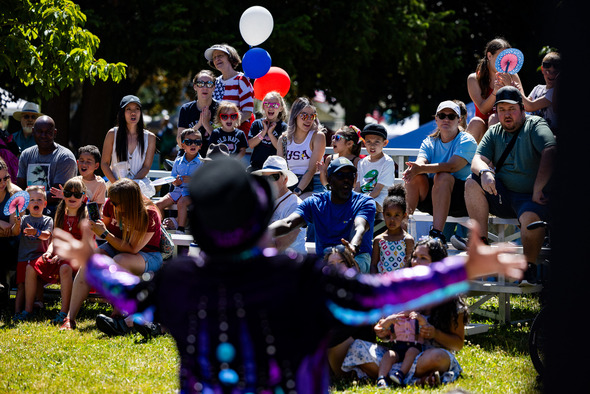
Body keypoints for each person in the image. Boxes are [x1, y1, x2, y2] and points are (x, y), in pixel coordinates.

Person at [51, 157, 526, 393]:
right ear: (260, 220)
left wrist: (89, 261)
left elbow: (130, 295)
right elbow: (381, 291)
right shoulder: (298, 278)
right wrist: (460, 268)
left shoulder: (182, 281)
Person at [342, 236, 469, 387]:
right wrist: (384, 332)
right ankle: (414, 379)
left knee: (439, 357)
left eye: (423, 258)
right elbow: (389, 334)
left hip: (426, 357)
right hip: (398, 356)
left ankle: (392, 376)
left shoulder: (450, 299)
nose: (415, 262)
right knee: (357, 347)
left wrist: (435, 334)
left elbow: (457, 344)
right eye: (414, 257)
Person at [464, 86, 557, 285]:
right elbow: (476, 160)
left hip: (530, 198)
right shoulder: (494, 131)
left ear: (523, 109)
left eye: (511, 109)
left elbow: (551, 150)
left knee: (531, 220)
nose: (506, 114)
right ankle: (481, 247)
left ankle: (528, 268)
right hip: (502, 195)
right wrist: (486, 172)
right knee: (472, 182)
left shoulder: (535, 124)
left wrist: (539, 187)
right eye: (502, 109)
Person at [60, 178, 163, 330]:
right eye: (111, 201)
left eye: (115, 203)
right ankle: (70, 318)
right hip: (117, 247)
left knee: (120, 260)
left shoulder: (148, 213)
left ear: (128, 202)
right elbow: (105, 229)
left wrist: (105, 233)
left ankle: (117, 316)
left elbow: (132, 248)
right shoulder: (111, 203)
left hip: (148, 255)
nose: (111, 204)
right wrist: (95, 225)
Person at [270, 157, 376, 273]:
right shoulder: (314, 202)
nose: (346, 180)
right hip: (326, 259)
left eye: (350, 175)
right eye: (340, 175)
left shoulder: (365, 202)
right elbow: (288, 223)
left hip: (356, 257)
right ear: (329, 179)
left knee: (343, 268)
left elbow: (359, 227)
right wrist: (260, 232)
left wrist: (353, 246)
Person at [403, 100, 477, 244]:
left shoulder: (467, 140)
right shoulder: (429, 141)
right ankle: (402, 232)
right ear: (436, 119)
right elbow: (421, 161)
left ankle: (436, 235)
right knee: (414, 177)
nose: (446, 119)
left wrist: (421, 168)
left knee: (443, 176)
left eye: (451, 116)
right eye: (442, 115)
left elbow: (452, 167)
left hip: (462, 201)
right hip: (435, 197)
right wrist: (414, 168)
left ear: (459, 120)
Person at [40, 178, 89, 325]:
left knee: (65, 268)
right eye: (68, 193)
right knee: (32, 266)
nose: (72, 197)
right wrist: (49, 251)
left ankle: (64, 311)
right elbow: (55, 238)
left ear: (84, 197)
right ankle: (33, 306)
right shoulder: (61, 212)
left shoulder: (85, 215)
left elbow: (85, 244)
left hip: (79, 256)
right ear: (63, 195)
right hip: (61, 253)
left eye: (77, 195)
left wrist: (62, 254)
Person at [16, 115, 77, 217]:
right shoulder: (26, 154)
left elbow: (56, 195)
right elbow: (20, 186)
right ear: (33, 131)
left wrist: (30, 200)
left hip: (56, 210)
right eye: (39, 131)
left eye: (48, 132)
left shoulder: (65, 157)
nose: (43, 135)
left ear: (54, 133)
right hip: (28, 208)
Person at [466, 38, 524, 143]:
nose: (504, 63)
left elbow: (523, 105)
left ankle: (495, 159)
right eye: (500, 58)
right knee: (475, 122)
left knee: (494, 118)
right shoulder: (474, 79)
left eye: (506, 59)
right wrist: (495, 91)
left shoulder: (512, 76)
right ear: (489, 56)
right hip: (483, 127)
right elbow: (483, 109)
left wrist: (510, 88)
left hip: (508, 123)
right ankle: (464, 158)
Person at [100, 95, 157, 198]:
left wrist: (131, 185)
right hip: (115, 184)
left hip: (139, 185)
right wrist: (118, 184)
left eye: (137, 109)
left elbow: (146, 167)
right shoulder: (112, 134)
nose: (133, 113)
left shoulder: (150, 137)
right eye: (128, 109)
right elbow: (104, 163)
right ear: (122, 113)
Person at [12, 186, 53, 321]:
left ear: (45, 203)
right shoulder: (24, 219)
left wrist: (36, 232)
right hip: (23, 257)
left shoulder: (47, 220)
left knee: (39, 283)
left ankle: (38, 304)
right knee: (21, 286)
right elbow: (15, 232)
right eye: (32, 200)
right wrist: (17, 223)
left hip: (39, 257)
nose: (36, 202)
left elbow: (47, 235)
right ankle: (18, 312)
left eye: (39, 200)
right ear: (27, 205)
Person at [252, 155, 306, 254]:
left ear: (285, 179)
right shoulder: (262, 202)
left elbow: (278, 246)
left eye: (273, 177)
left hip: (292, 265)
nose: (268, 182)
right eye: (265, 178)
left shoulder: (296, 205)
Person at [277, 97, 327, 200]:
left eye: (312, 116)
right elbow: (280, 170)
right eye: (304, 116)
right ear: (295, 116)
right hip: (290, 183)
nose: (309, 120)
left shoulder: (318, 136)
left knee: (299, 205)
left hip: (313, 184)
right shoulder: (283, 140)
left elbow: (312, 169)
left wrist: (296, 192)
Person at [155, 128, 203, 234]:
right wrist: (175, 182)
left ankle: (180, 229)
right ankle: (160, 229)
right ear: (183, 145)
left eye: (197, 142)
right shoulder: (178, 161)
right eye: (189, 142)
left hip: (192, 193)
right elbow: (172, 178)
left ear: (200, 145)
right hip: (177, 191)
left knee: (182, 202)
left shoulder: (202, 163)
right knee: (158, 204)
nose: (193, 144)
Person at [204, 44, 255, 133]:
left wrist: (228, 128)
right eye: (214, 57)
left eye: (220, 56)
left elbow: (247, 112)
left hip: (239, 133)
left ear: (230, 57)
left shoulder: (241, 80)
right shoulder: (216, 82)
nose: (216, 59)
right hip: (220, 134)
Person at [371, 184, 414, 274]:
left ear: (404, 216)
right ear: (383, 215)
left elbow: (409, 266)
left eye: (397, 215)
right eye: (388, 215)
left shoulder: (407, 240)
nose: (392, 220)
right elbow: (373, 265)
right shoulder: (378, 240)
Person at [177, 70, 220, 158]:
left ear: (214, 87)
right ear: (195, 87)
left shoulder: (221, 109)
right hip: (188, 158)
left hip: (212, 158)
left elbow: (222, 142)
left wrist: (206, 125)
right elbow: (179, 142)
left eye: (209, 84)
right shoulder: (186, 109)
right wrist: (199, 124)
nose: (204, 87)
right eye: (200, 84)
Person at [354, 124, 395, 212]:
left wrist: (362, 201)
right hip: (365, 197)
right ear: (364, 143)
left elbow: (378, 189)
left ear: (385, 143)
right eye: (368, 141)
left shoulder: (387, 161)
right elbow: (358, 187)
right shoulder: (361, 162)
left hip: (382, 197)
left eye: (377, 142)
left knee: (370, 206)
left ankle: (362, 224)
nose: (372, 146)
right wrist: (354, 200)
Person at [520, 51, 560, 134]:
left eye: (555, 72)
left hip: (550, 132)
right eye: (548, 71)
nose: (551, 75)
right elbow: (524, 106)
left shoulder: (555, 92)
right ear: (542, 69)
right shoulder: (537, 88)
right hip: (534, 131)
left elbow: (530, 106)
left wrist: (516, 88)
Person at [247, 91, 287, 172]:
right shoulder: (257, 123)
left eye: (275, 105)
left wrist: (270, 134)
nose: (271, 108)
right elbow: (250, 145)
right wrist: (263, 132)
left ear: (281, 108)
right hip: (256, 167)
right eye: (267, 104)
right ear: (263, 107)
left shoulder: (283, 127)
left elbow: (281, 149)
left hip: (274, 169)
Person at [0, 158, 22, 298]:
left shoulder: (15, 193)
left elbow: (13, 230)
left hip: (12, 242)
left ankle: (3, 287)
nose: (2, 183)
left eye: (5, 178)